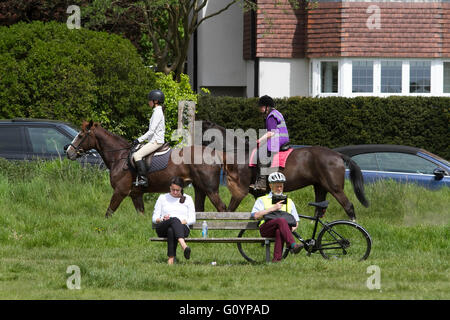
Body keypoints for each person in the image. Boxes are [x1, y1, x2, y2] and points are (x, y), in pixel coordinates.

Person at [251, 172, 303, 262]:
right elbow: (255, 216)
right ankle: (293, 245)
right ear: (271, 186)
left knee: (280, 230)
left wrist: (286, 230)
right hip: (266, 229)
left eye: (281, 186)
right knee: (281, 221)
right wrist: (273, 208)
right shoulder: (262, 199)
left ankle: (276, 260)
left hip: (282, 230)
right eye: (277, 186)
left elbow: (296, 222)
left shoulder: (289, 201)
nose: (279, 189)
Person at [152, 177, 196, 265]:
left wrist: (183, 222)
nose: (175, 192)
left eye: (178, 190)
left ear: (182, 189)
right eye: (173, 190)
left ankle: (171, 259)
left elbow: (192, 219)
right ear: (169, 188)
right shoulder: (162, 198)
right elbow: (154, 218)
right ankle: (184, 246)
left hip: (182, 227)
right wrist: (161, 219)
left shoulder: (188, 199)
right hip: (163, 227)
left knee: (171, 229)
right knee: (174, 220)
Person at [250, 95, 290, 191]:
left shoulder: (271, 116)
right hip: (281, 138)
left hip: (278, 138)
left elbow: (270, 133)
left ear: (266, 107)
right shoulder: (276, 113)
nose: (259, 109)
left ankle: (262, 182)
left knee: (261, 152)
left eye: (260, 106)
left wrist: (259, 141)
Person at [132, 89, 166, 187]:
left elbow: (151, 131)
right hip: (153, 140)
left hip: (156, 141)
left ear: (155, 101)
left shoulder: (157, 112)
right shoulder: (157, 111)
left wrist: (138, 139)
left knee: (137, 155)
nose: (148, 102)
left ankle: (143, 179)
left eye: (150, 100)